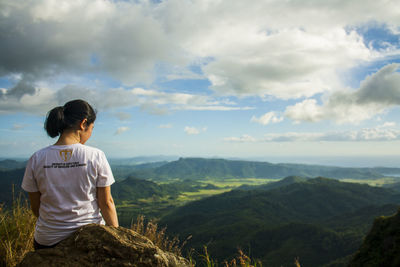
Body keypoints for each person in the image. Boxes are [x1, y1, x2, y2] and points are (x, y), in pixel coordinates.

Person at [21, 99, 119, 250]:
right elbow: (106, 203)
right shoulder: (95, 155)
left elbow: (36, 208)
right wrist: (118, 239)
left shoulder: (37, 158)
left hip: (47, 239)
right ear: (83, 124)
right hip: (88, 237)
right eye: (91, 128)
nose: (91, 133)